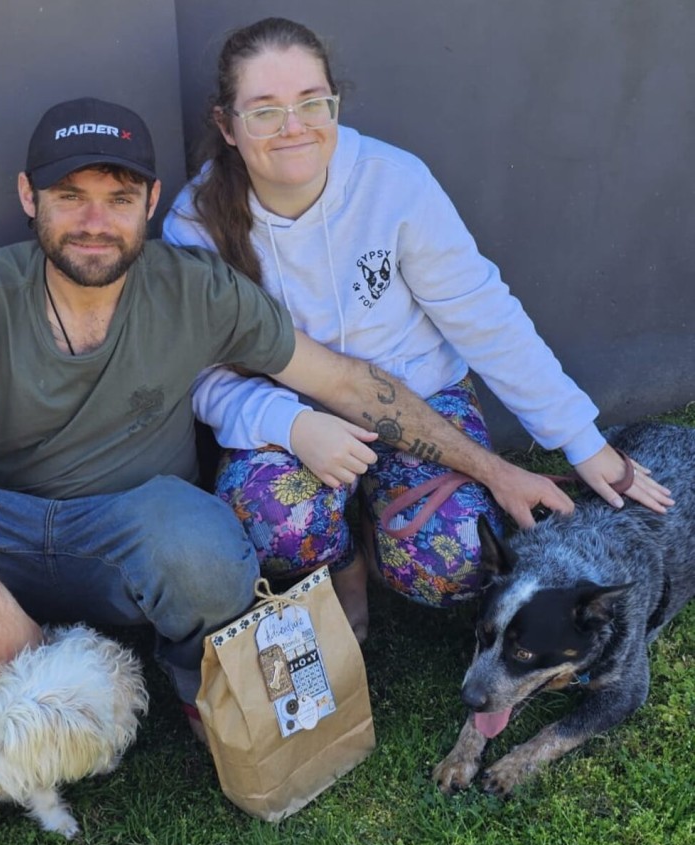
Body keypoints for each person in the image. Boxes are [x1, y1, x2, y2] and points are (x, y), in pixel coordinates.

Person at [0, 95, 578, 728]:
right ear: (28, 197)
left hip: (137, 536)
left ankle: (197, 687)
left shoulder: (193, 287)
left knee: (202, 544)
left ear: (151, 201)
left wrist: (495, 469)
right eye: (69, 196)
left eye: (119, 197)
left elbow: (347, 383)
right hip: (9, 533)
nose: (95, 221)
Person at [162, 17, 672, 639]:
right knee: (270, 522)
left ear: (335, 103)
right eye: (265, 111)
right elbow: (205, 376)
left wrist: (581, 440)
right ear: (227, 125)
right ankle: (343, 567)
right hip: (296, 421)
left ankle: (377, 520)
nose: (293, 127)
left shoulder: (394, 183)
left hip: (421, 400)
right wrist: (289, 423)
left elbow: (483, 315)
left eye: (311, 103)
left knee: (462, 562)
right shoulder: (195, 225)